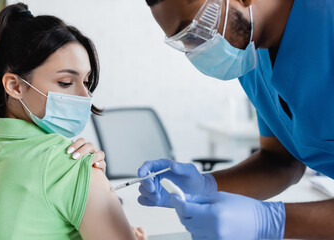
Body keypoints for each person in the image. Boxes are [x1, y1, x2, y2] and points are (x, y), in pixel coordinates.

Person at [137, 0, 334, 239]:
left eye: (195, 30)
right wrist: (204, 186)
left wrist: (273, 221)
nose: (196, 50)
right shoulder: (250, 54)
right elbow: (281, 161)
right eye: (184, 42)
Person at [0, 3, 147, 240]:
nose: (84, 96)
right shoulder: (72, 166)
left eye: (86, 82)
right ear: (14, 86)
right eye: (66, 82)